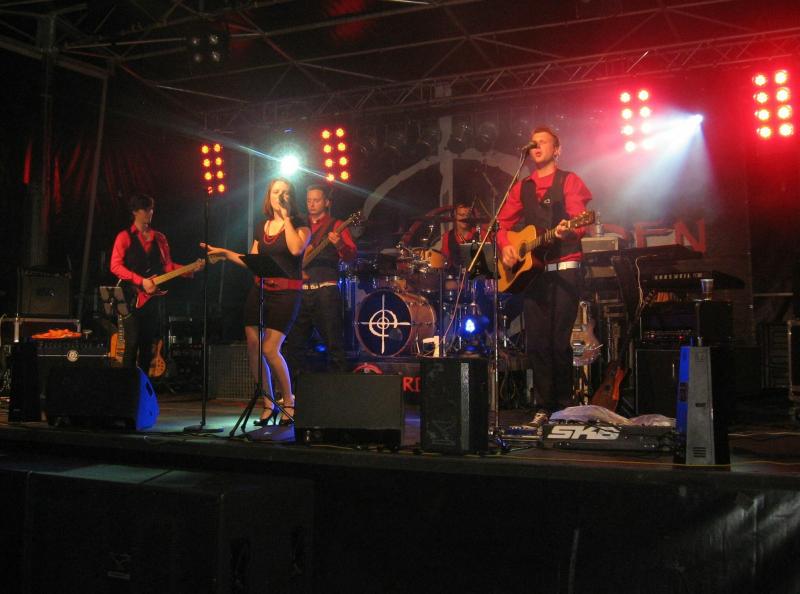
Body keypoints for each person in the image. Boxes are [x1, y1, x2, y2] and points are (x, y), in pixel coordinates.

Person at [497, 126, 592, 428]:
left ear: (557, 149)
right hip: (534, 273)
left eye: (543, 142)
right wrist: (507, 246)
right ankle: (542, 407)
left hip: (565, 268)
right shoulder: (522, 186)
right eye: (533, 143)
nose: (536, 146)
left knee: (558, 342)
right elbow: (501, 225)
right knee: (536, 342)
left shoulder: (569, 180)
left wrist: (569, 230)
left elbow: (580, 222)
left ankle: (563, 407)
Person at [202, 178, 310, 426]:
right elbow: (252, 260)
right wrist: (226, 253)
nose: (280, 196)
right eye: (276, 192)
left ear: (291, 198)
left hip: (286, 293)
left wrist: (287, 217)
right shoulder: (263, 226)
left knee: (270, 348)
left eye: (285, 193)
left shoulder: (300, 224)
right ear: (268, 196)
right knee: (253, 345)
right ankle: (268, 402)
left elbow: (296, 249)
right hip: (260, 290)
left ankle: (289, 400)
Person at [110, 193, 203, 371]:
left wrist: (191, 269)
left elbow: (168, 266)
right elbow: (115, 266)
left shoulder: (159, 238)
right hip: (129, 296)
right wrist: (140, 281)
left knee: (147, 345)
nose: (150, 213)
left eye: (151, 209)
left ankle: (144, 384)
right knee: (132, 342)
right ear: (135, 211)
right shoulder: (124, 237)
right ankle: (126, 383)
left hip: (151, 298)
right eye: (145, 209)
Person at [284, 184, 357, 379]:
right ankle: (294, 389)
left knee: (334, 344)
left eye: (316, 200)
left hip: (325, 291)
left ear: (327, 202)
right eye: (309, 200)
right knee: (294, 345)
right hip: (301, 292)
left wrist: (339, 244)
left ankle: (338, 388)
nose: (312, 204)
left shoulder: (337, 225)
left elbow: (351, 257)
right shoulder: (299, 225)